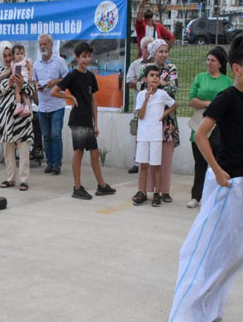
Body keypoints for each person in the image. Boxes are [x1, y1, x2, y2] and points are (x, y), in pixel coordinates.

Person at [169, 34, 243, 322]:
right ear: (236, 68)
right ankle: (192, 306)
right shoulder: (226, 98)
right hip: (227, 185)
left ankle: (211, 303)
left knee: (239, 249)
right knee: (212, 249)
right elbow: (201, 134)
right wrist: (217, 171)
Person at [51, 41, 116, 200]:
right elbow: (54, 91)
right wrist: (69, 97)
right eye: (83, 56)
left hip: (88, 120)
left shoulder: (91, 76)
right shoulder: (72, 75)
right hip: (77, 119)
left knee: (94, 152)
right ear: (77, 57)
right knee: (79, 152)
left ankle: (101, 185)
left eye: (88, 56)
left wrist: (95, 123)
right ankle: (77, 187)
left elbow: (94, 100)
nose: (87, 59)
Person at [187, 46, 233, 208]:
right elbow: (192, 99)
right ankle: (196, 196)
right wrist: (209, 104)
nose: (209, 63)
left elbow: (229, 103)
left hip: (219, 128)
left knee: (217, 163)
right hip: (200, 123)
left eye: (213, 60)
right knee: (199, 164)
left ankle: (216, 195)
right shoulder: (200, 77)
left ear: (220, 64)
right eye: (208, 59)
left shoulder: (227, 81)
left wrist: (217, 108)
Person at [131, 64, 176, 207]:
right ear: (145, 79)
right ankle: (142, 192)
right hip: (143, 135)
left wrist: (163, 115)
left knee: (156, 165)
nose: (154, 78)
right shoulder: (140, 95)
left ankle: (157, 193)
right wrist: (146, 98)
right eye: (152, 75)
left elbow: (174, 104)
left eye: (157, 76)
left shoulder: (162, 94)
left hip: (156, 135)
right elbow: (141, 115)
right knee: (143, 165)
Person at [0, 41, 34, 191]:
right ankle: (10, 178)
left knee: (23, 148)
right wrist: (8, 83)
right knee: (8, 150)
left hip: (22, 117)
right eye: (5, 56)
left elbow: (31, 90)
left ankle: (24, 179)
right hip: (5, 118)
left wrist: (22, 83)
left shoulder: (23, 68)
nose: (9, 58)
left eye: (10, 55)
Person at [143, 39, 180, 199]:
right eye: (160, 51)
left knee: (165, 156)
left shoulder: (172, 68)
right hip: (149, 119)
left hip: (167, 120)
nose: (164, 54)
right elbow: (140, 85)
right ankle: (148, 188)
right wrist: (161, 83)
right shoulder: (145, 68)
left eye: (166, 51)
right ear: (154, 53)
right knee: (147, 155)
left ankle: (164, 190)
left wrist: (155, 85)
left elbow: (173, 87)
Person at [33, 33, 68, 175]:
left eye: (45, 44)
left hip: (57, 105)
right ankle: (49, 162)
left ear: (51, 45)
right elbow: (34, 82)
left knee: (55, 135)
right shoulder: (36, 64)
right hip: (42, 106)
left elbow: (66, 79)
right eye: (41, 44)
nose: (42, 47)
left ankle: (57, 164)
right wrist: (38, 86)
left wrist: (54, 82)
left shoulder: (59, 61)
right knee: (46, 136)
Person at [126, 36, 154, 174]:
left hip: (155, 107)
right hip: (140, 106)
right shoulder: (135, 64)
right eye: (145, 48)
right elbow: (129, 82)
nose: (148, 51)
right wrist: (142, 84)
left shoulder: (159, 65)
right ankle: (138, 162)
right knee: (139, 135)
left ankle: (151, 162)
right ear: (141, 49)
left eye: (151, 48)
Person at [10, 43, 33, 117]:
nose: (20, 55)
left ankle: (18, 105)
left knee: (17, 91)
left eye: (21, 53)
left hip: (24, 79)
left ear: (24, 54)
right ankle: (26, 107)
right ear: (13, 55)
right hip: (18, 79)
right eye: (17, 54)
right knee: (23, 93)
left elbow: (30, 69)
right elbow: (12, 72)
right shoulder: (13, 64)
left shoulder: (26, 62)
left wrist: (30, 76)